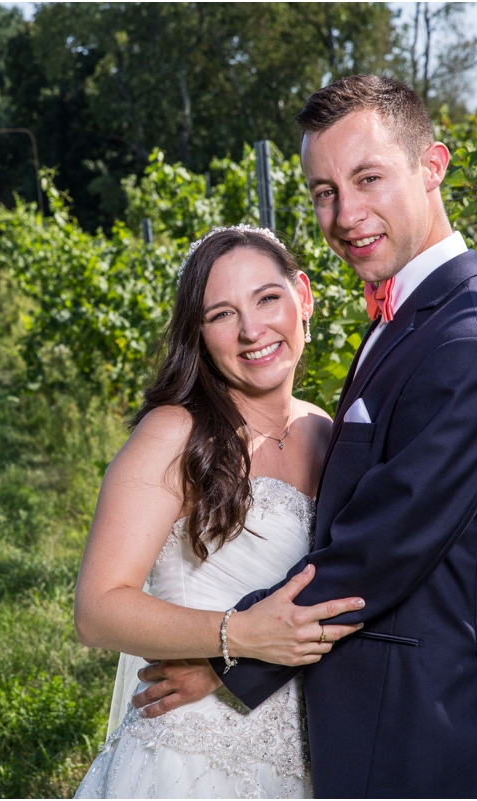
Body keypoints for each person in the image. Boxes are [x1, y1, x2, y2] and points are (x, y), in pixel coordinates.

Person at [132, 75, 477, 798]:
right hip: (376, 720)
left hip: (429, 733)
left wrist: (227, 655)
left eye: (368, 178)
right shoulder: (409, 318)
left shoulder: (468, 343)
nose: (345, 214)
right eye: (324, 191)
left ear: (433, 165)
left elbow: (375, 550)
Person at [72, 225, 367, 798]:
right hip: (194, 758)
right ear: (199, 334)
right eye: (222, 314)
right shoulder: (174, 434)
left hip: (313, 751)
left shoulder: (328, 435)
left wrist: (236, 663)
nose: (253, 330)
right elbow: (97, 608)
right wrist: (237, 637)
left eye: (267, 298)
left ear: (303, 297)